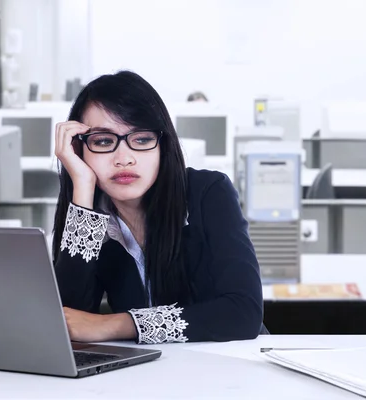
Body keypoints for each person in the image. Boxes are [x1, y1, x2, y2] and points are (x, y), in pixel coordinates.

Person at [52, 71, 266, 344]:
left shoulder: (207, 192)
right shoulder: (91, 215)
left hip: (230, 369)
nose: (124, 159)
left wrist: (118, 324)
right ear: (81, 149)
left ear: (162, 145)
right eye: (103, 141)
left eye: (141, 139)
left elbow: (243, 314)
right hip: (146, 376)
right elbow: (70, 321)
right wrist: (82, 187)